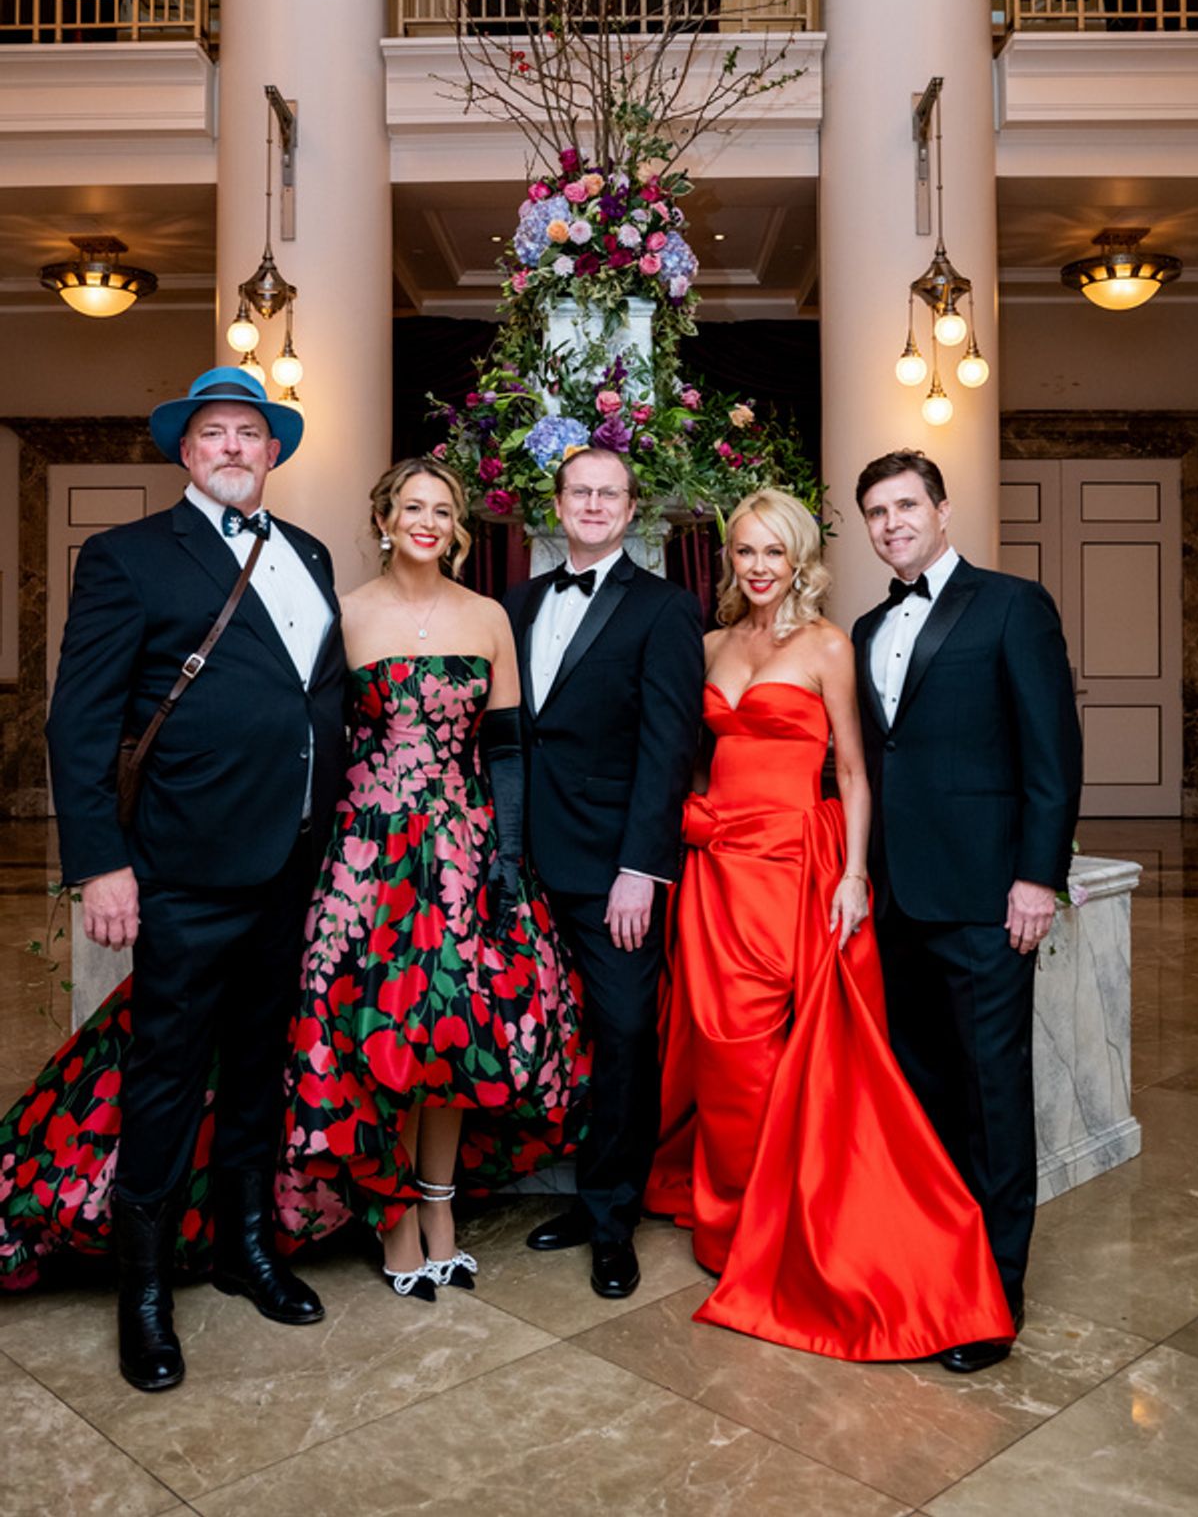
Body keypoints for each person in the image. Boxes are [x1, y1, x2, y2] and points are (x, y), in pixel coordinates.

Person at [647, 487, 1015, 1361]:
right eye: (745, 552)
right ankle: (729, 1222)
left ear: (802, 558)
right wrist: (695, 818)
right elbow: (687, 757)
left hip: (795, 870)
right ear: (729, 559)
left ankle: (785, 1225)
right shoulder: (706, 646)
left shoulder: (826, 646)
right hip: (715, 870)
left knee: (784, 1053)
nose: (760, 568)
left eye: (775, 552)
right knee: (719, 1041)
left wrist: (852, 875)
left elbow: (853, 771)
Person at [39, 366, 346, 1393]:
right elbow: (79, 724)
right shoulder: (128, 557)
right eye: (213, 433)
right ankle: (146, 1289)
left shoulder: (307, 554)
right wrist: (100, 864)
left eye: (249, 435)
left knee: (259, 1062)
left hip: (289, 864)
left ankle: (245, 1246)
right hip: (178, 867)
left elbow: (319, 703)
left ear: (273, 453)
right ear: (186, 452)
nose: (231, 448)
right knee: (169, 1077)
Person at [280, 458, 588, 1300]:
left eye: (442, 510)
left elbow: (507, 748)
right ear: (384, 518)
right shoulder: (343, 618)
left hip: (460, 849)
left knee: (448, 1034)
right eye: (411, 507)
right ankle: (392, 1216)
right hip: (367, 855)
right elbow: (315, 744)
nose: (426, 520)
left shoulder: (487, 615)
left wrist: (509, 853)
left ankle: (440, 1208)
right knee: (377, 1035)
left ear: (457, 528)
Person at [852, 449, 1082, 1371]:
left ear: (942, 511)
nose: (893, 522)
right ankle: (939, 1271)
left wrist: (1038, 877)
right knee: (928, 1096)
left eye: (907, 504)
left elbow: (1052, 753)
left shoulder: (1011, 604)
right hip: (902, 900)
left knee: (991, 1097)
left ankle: (995, 1296)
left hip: (988, 896)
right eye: (876, 511)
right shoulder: (867, 623)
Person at [503, 446, 704, 1299]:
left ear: (631, 510)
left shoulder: (665, 609)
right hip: (518, 859)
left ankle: (611, 1215)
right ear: (557, 503)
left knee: (624, 1032)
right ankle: (557, 1191)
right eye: (578, 491)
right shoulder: (512, 605)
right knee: (539, 1030)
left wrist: (640, 869)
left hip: (610, 865)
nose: (592, 504)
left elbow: (670, 748)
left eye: (608, 494)